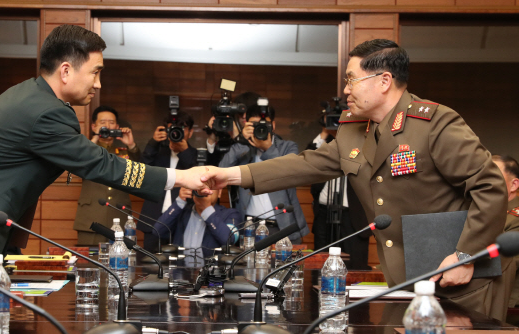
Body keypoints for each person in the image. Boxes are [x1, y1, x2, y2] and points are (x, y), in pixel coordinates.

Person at [0, 24, 207, 308]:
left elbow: (20, 179)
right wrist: (182, 176)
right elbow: (102, 164)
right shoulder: (47, 111)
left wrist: (13, 252)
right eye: (95, 72)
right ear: (66, 71)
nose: (98, 84)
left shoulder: (30, 97)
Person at [198, 39, 511, 321]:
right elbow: (306, 164)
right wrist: (230, 175)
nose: (346, 89)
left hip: (457, 282)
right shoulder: (354, 129)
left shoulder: (435, 124)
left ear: (384, 80)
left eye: (351, 79)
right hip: (404, 282)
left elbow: (491, 187)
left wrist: (466, 255)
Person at [218, 104, 309, 243]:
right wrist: (242, 140)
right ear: (246, 125)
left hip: (282, 226)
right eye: (254, 124)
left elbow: (292, 170)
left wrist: (267, 148)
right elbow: (222, 169)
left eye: (264, 124)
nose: (259, 128)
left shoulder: (287, 147)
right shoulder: (242, 149)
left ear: (273, 125)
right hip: (249, 227)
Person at [73, 105, 141, 245]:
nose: (107, 126)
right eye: (103, 123)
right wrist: (96, 137)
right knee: (89, 261)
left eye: (111, 123)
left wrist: (131, 145)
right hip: (90, 218)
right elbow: (78, 164)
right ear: (94, 126)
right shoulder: (86, 148)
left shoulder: (123, 151)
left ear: (117, 126)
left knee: (121, 262)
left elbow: (140, 173)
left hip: (119, 218)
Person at [308, 126, 370, 270]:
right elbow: (309, 158)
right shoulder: (326, 144)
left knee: (354, 266)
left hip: (353, 216)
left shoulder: (365, 141)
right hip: (325, 214)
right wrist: (324, 134)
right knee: (322, 264)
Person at [139, 111, 197, 253]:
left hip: (182, 220)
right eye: (172, 129)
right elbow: (142, 169)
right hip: (153, 218)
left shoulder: (196, 155)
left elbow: (197, 175)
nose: (176, 133)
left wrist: (184, 151)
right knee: (150, 264)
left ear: (190, 132)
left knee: (181, 267)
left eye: (181, 129)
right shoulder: (158, 152)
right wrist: (153, 142)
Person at [153, 187, 242, 259]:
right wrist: (180, 201)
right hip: (181, 273)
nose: (205, 191)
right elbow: (158, 232)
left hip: (213, 274)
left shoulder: (230, 214)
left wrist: (207, 210)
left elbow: (229, 240)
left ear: (219, 193)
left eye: (210, 187)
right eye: (200, 187)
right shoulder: (182, 211)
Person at [492, 155, 519, 307]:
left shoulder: (515, 218)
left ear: (514, 185)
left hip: (508, 305)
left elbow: (507, 261)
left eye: (493, 176)